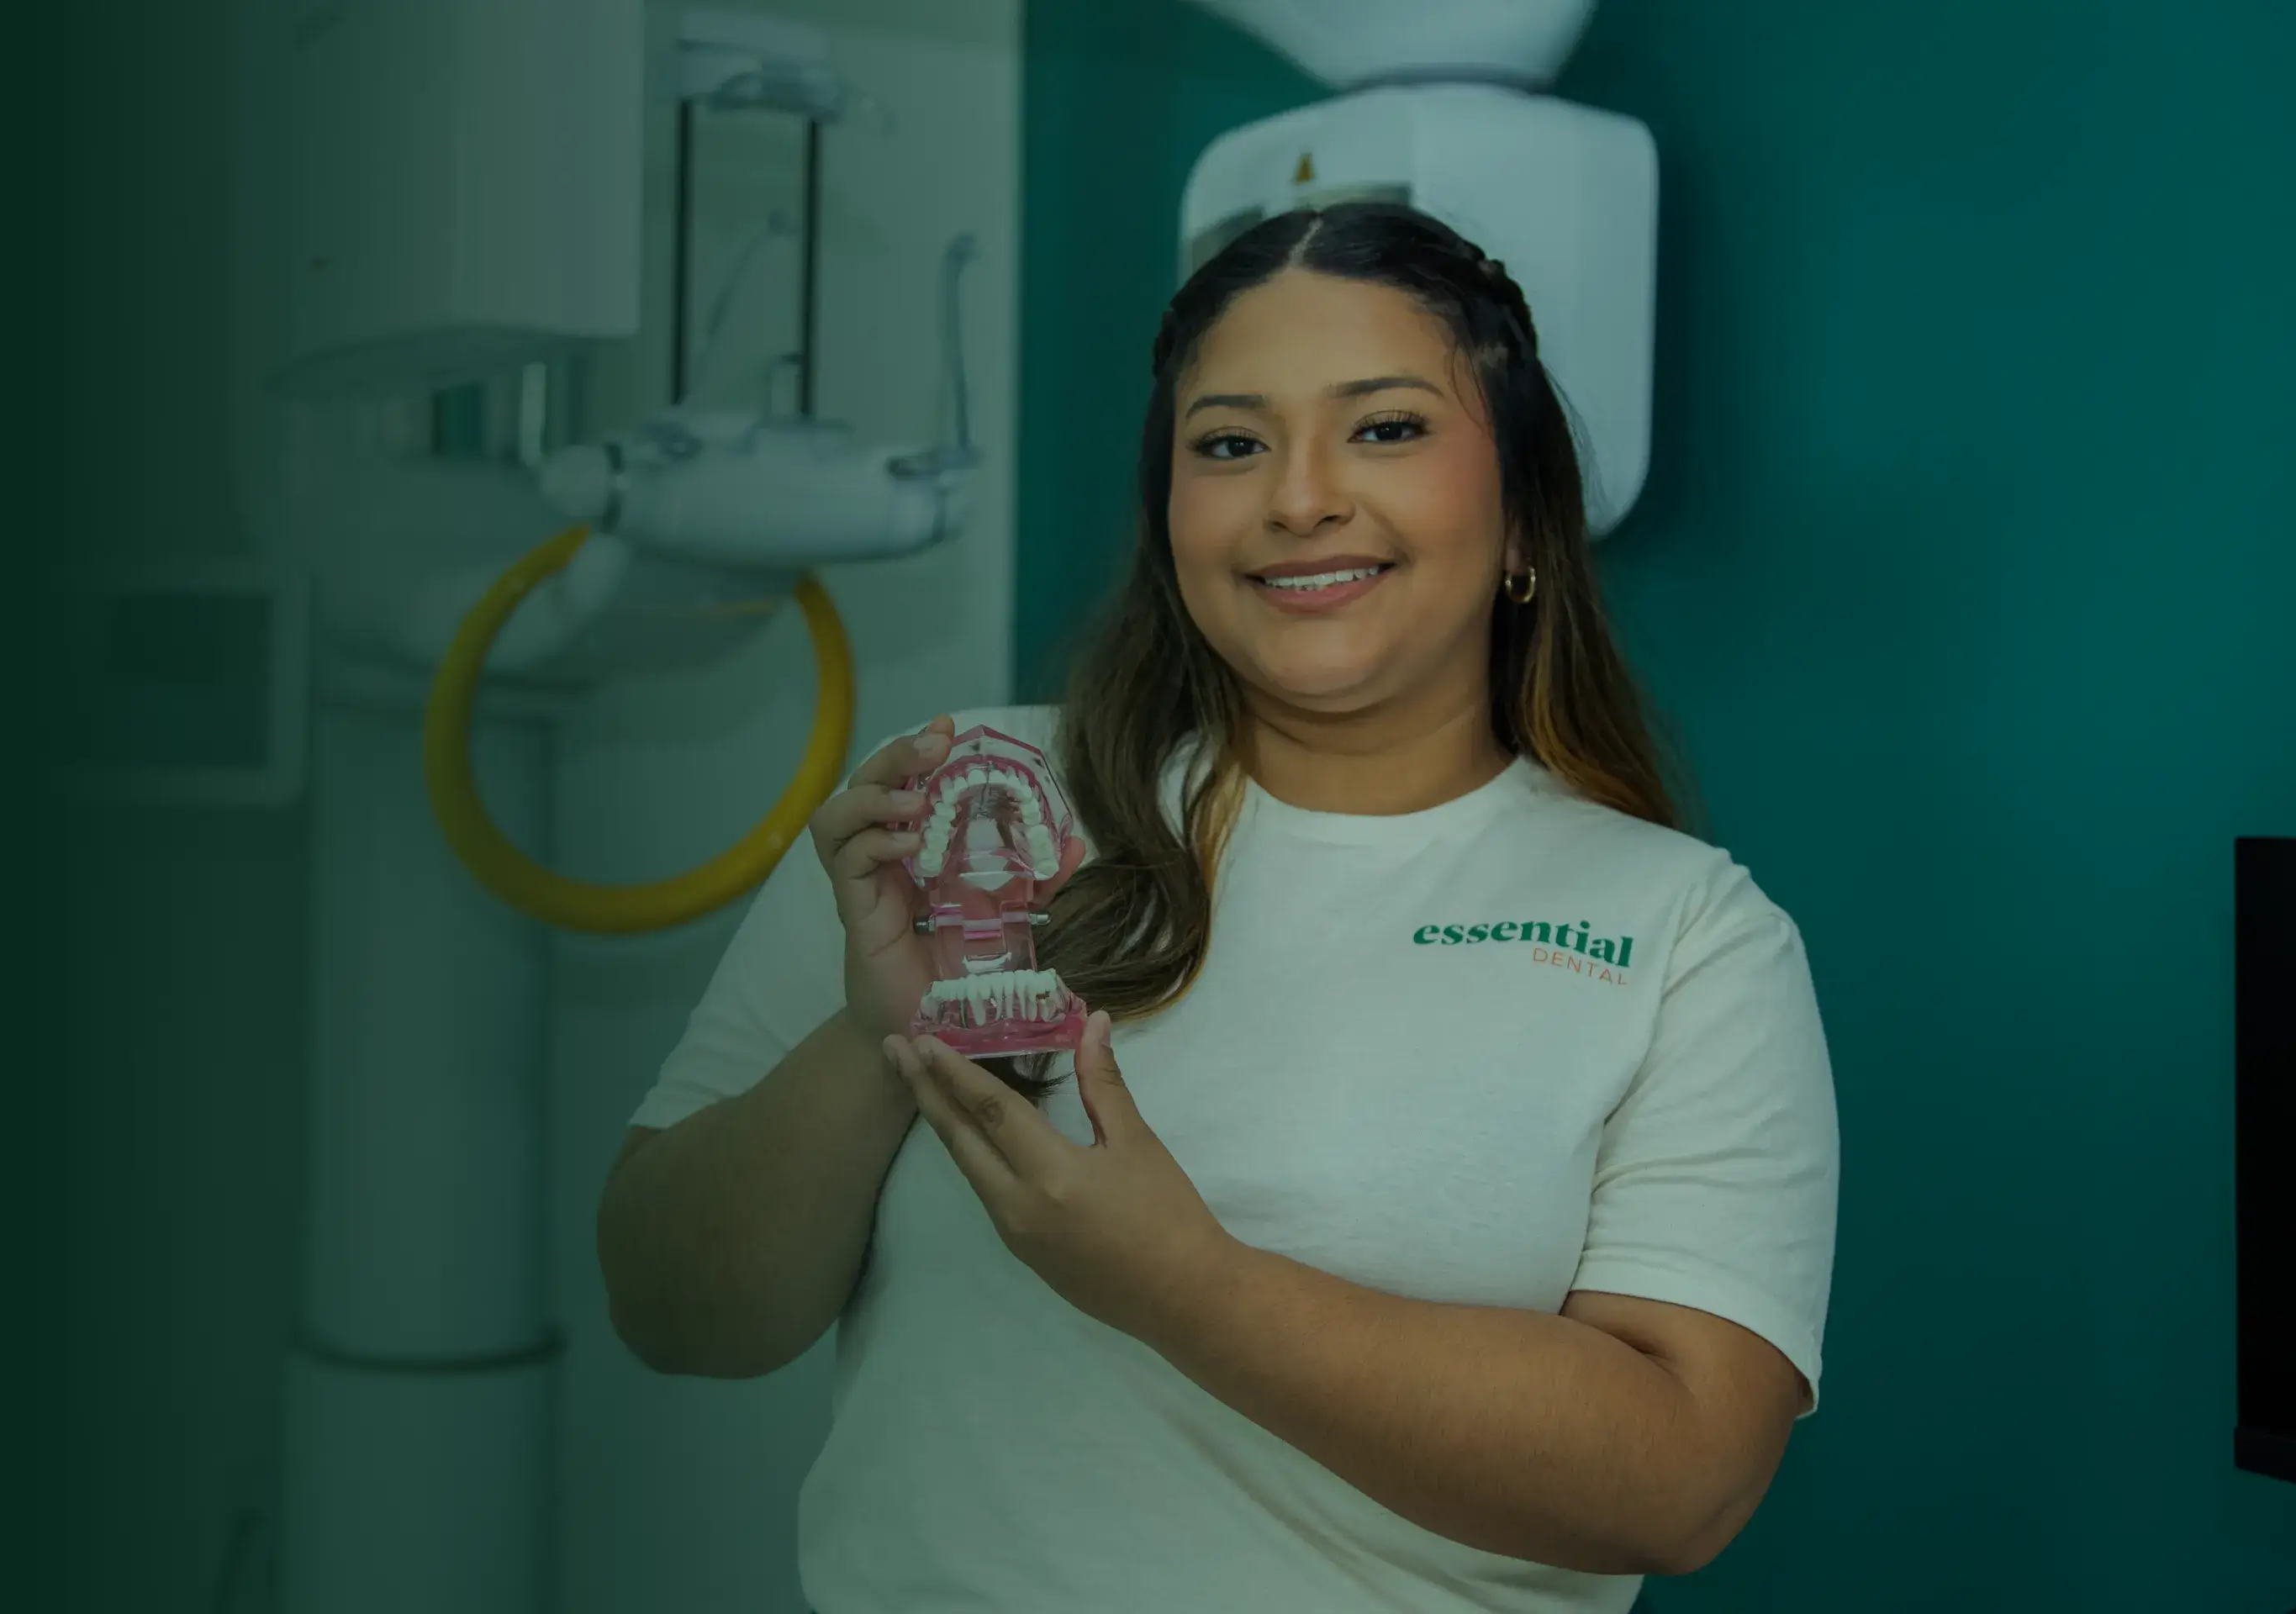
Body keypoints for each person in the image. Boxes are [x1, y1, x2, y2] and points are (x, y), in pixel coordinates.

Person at [592, 201, 1839, 1613]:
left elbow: (1685, 1481)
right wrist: (876, 1042)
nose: (1298, 498)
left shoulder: (1686, 936)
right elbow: (669, 1311)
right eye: (1232, 445)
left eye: (1384, 428)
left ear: (1522, 523)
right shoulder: (960, 810)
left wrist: (1188, 1286)